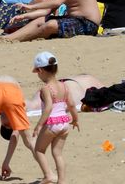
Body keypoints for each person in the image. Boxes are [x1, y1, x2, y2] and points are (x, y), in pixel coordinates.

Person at [31, 51, 78, 184]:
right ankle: (62, 181)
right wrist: (75, 119)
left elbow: (48, 108)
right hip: (64, 123)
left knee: (39, 150)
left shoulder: (46, 89)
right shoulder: (65, 86)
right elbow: (72, 105)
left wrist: (39, 125)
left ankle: (48, 176)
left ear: (40, 70)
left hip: (51, 124)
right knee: (58, 154)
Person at [0, 76, 35, 181]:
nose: (9, 123)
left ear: (1, 123)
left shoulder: (6, 112)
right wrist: (6, 162)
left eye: (6, 125)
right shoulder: (19, 108)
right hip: (10, 91)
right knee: (29, 140)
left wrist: (6, 162)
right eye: (11, 125)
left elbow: (15, 135)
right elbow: (15, 135)